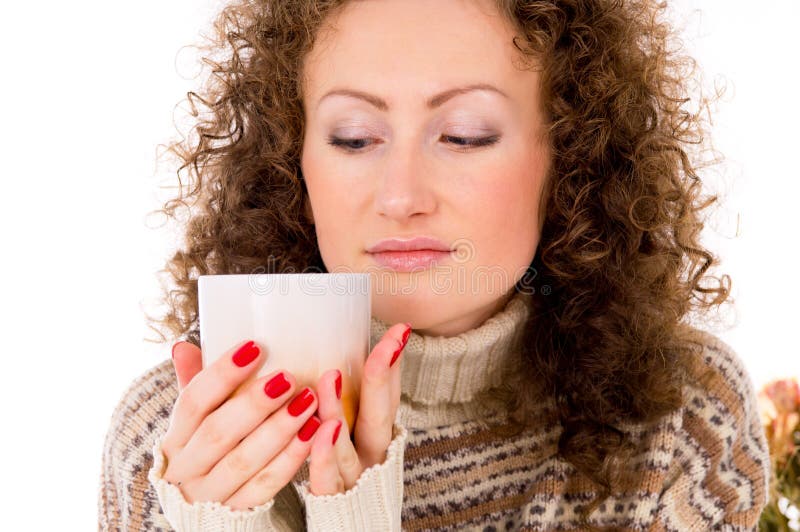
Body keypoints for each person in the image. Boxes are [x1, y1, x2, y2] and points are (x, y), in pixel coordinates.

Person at [98, 0, 771, 530]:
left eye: (464, 135)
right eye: (354, 138)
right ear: (292, 161)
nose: (401, 197)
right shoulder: (170, 449)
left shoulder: (684, 419)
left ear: (572, 156)